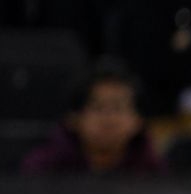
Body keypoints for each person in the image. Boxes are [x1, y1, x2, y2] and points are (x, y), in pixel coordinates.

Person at [22, 58, 163, 176]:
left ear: (138, 121)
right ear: (73, 119)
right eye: (97, 108)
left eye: (118, 108)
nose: (108, 119)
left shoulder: (153, 173)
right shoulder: (44, 169)